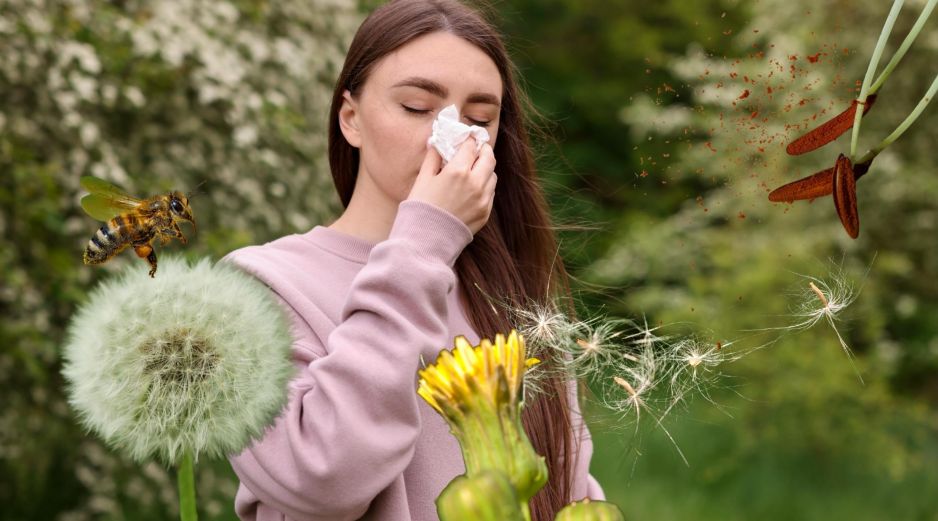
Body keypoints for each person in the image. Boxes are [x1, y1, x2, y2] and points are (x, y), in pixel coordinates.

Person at [222, 1, 605, 519]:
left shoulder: (514, 295)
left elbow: (569, 491)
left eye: (479, 118)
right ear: (351, 119)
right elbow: (322, 477)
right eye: (417, 107)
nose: (450, 137)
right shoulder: (259, 286)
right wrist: (425, 243)